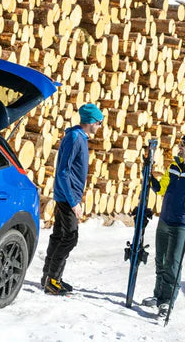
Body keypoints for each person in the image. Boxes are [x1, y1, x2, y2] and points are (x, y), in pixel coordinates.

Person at [142, 134, 185, 317]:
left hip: (182, 222)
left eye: (183, 144)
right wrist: (149, 176)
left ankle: (167, 301)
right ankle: (158, 296)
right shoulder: (174, 166)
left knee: (173, 264)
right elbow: (161, 188)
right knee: (160, 260)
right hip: (165, 219)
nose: (179, 147)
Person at [42, 103, 104, 295]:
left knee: (60, 235)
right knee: (70, 237)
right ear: (91, 122)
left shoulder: (79, 137)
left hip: (68, 195)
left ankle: (50, 278)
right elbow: (63, 172)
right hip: (67, 196)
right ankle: (52, 280)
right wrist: (73, 201)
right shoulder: (75, 138)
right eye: (99, 122)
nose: (100, 126)